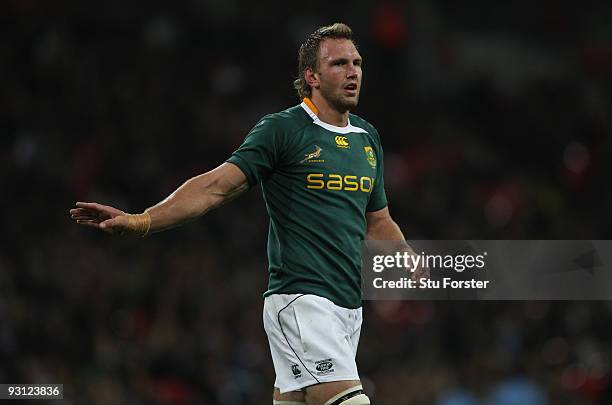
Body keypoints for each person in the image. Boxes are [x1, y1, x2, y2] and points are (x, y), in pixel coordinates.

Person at [70, 22, 423, 405]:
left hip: (347, 307)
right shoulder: (284, 130)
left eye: (356, 62)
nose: (353, 71)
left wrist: (404, 256)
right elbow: (215, 186)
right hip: (302, 299)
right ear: (311, 76)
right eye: (339, 63)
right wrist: (142, 220)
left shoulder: (367, 138)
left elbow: (378, 220)